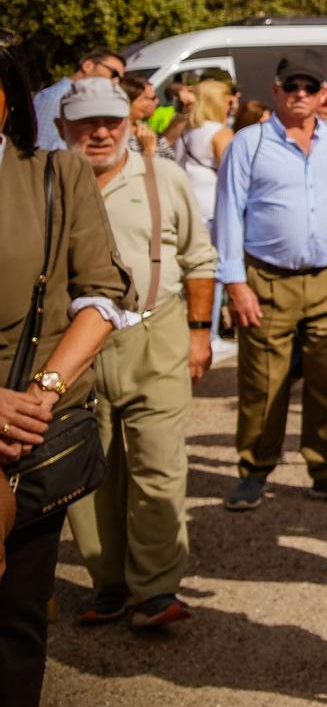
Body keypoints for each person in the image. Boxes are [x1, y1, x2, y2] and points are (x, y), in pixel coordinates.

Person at [60, 78, 216, 631]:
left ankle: (155, 590)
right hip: (74, 344)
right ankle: (108, 584)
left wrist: (200, 334)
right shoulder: (50, 183)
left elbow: (200, 258)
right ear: (62, 129)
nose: (101, 133)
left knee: (159, 463)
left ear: (130, 124)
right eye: (86, 124)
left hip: (155, 331)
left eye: (112, 122)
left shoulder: (163, 177)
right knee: (89, 471)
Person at [0, 37, 125, 696]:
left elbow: (104, 296)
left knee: (17, 624)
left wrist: (43, 391)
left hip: (25, 435)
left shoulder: (53, 174)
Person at [212, 53, 327, 510]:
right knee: (263, 381)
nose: (300, 93)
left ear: (323, 94)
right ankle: (255, 469)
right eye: (291, 85)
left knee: (325, 377)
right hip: (267, 278)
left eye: (309, 86)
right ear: (276, 91)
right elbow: (228, 215)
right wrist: (235, 284)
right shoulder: (249, 142)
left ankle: (325, 465)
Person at [172, 78, 236, 233]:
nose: (232, 108)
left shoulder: (185, 131)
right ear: (218, 103)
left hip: (185, 207)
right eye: (229, 103)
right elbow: (232, 173)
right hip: (212, 212)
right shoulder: (221, 133)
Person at [33, 48, 125, 149]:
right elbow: (42, 147)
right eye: (114, 73)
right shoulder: (54, 97)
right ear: (88, 66)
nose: (116, 81)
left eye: (120, 79)